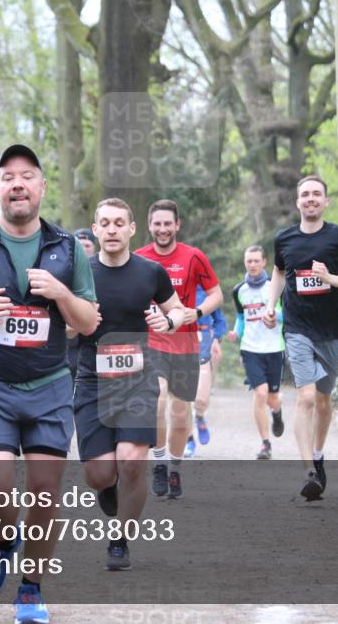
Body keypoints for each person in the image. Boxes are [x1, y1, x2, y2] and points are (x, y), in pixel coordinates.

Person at [0, 144, 99, 623]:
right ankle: (5, 539)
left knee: (45, 497)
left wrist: (63, 292)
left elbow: (88, 322)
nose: (18, 184)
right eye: (8, 176)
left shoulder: (68, 248)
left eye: (28, 176)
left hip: (49, 386)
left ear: (42, 187)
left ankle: (31, 589)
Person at [72, 198, 185, 570]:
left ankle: (120, 539)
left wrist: (168, 323)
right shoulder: (80, 272)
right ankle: (108, 488)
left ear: (132, 229)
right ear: (95, 228)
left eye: (119, 222)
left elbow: (179, 310)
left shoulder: (150, 272)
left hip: (137, 378)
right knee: (99, 473)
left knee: (133, 461)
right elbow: (66, 327)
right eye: (104, 223)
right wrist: (79, 323)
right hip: (92, 380)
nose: (112, 229)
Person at [263, 176, 338, 501]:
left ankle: (319, 455)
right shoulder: (284, 238)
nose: (310, 199)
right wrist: (271, 305)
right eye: (305, 194)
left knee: (323, 401)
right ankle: (308, 470)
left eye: (316, 194)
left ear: (325, 202)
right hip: (296, 328)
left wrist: (329, 278)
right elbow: (280, 272)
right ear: (298, 202)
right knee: (306, 398)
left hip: (333, 332)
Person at [135, 199, 222, 499]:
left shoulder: (194, 256)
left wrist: (196, 313)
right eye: (157, 224)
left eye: (167, 224)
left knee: (181, 413)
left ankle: (174, 469)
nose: (162, 229)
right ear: (149, 226)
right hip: (152, 343)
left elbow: (216, 294)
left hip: (185, 344)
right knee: (157, 402)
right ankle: (158, 462)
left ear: (177, 225)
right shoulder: (138, 258)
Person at [227, 245, 285, 460]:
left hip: (274, 347)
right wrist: (236, 332)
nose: (252, 265)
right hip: (250, 348)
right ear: (245, 263)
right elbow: (241, 318)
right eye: (248, 261)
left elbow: (287, 315)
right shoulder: (238, 290)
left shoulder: (275, 286)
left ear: (263, 263)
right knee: (260, 394)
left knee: (272, 398)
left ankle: (277, 413)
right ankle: (265, 443)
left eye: (255, 261)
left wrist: (274, 315)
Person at [184, 285, 226, 458]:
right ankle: (189, 440)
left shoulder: (208, 292)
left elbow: (220, 321)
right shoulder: (172, 287)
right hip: (180, 342)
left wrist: (216, 339)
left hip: (204, 341)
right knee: (183, 398)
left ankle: (199, 416)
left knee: (201, 399)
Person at [67, 228, 97, 379]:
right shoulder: (64, 271)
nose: (83, 249)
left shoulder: (101, 270)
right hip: (70, 339)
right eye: (79, 244)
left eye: (87, 245)